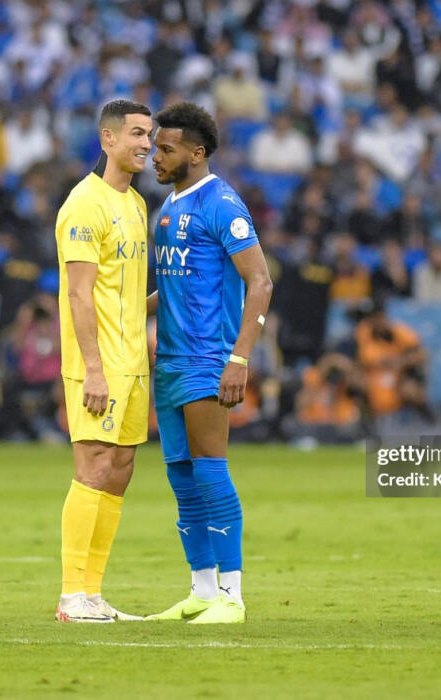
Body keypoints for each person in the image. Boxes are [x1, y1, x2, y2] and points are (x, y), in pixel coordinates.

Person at [145, 102, 272, 624]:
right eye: (154, 146)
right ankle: (200, 590)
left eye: (165, 148)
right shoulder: (168, 207)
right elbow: (171, 291)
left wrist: (239, 357)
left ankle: (233, 597)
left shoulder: (222, 204)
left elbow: (260, 282)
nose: (154, 156)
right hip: (169, 360)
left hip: (207, 358)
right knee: (181, 477)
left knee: (212, 472)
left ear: (197, 153)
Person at [54, 99, 153, 623]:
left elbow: (127, 294)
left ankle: (93, 593)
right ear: (107, 139)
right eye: (136, 133)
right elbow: (78, 294)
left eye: (150, 135)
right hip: (100, 364)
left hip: (133, 361)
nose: (146, 143)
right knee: (92, 467)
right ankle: (71, 596)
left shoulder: (136, 204)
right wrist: (93, 367)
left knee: (118, 471)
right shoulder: (84, 204)